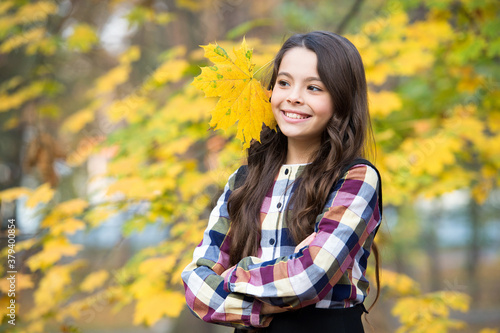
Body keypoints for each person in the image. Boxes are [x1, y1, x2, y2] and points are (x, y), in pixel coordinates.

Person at [181, 31, 383, 333]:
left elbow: (309, 276)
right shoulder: (244, 181)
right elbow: (196, 287)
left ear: (341, 100)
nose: (293, 97)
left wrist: (234, 277)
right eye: (284, 83)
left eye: (314, 87)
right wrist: (283, 278)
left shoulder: (355, 178)